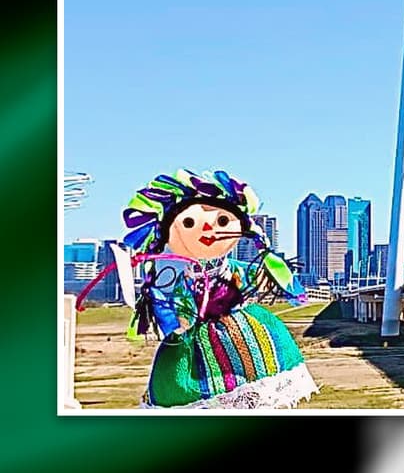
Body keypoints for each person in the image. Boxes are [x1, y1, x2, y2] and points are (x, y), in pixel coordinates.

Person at [78, 168, 318, 408]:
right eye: (189, 223)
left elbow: (259, 274)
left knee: (259, 381)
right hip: (191, 339)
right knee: (189, 392)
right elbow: (165, 304)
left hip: (243, 331)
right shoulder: (175, 277)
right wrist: (173, 318)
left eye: (223, 221)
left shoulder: (233, 268)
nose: (208, 230)